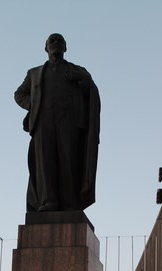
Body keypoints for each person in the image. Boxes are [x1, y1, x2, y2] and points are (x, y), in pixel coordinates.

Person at [14, 33, 100, 212]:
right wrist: (33, 104)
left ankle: (70, 202)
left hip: (68, 121)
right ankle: (48, 200)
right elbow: (19, 94)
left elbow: (91, 91)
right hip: (42, 121)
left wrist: (82, 80)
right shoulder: (34, 73)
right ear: (46, 48)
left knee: (68, 161)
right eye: (52, 41)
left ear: (65, 48)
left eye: (60, 41)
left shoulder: (78, 70)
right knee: (46, 163)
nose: (56, 44)